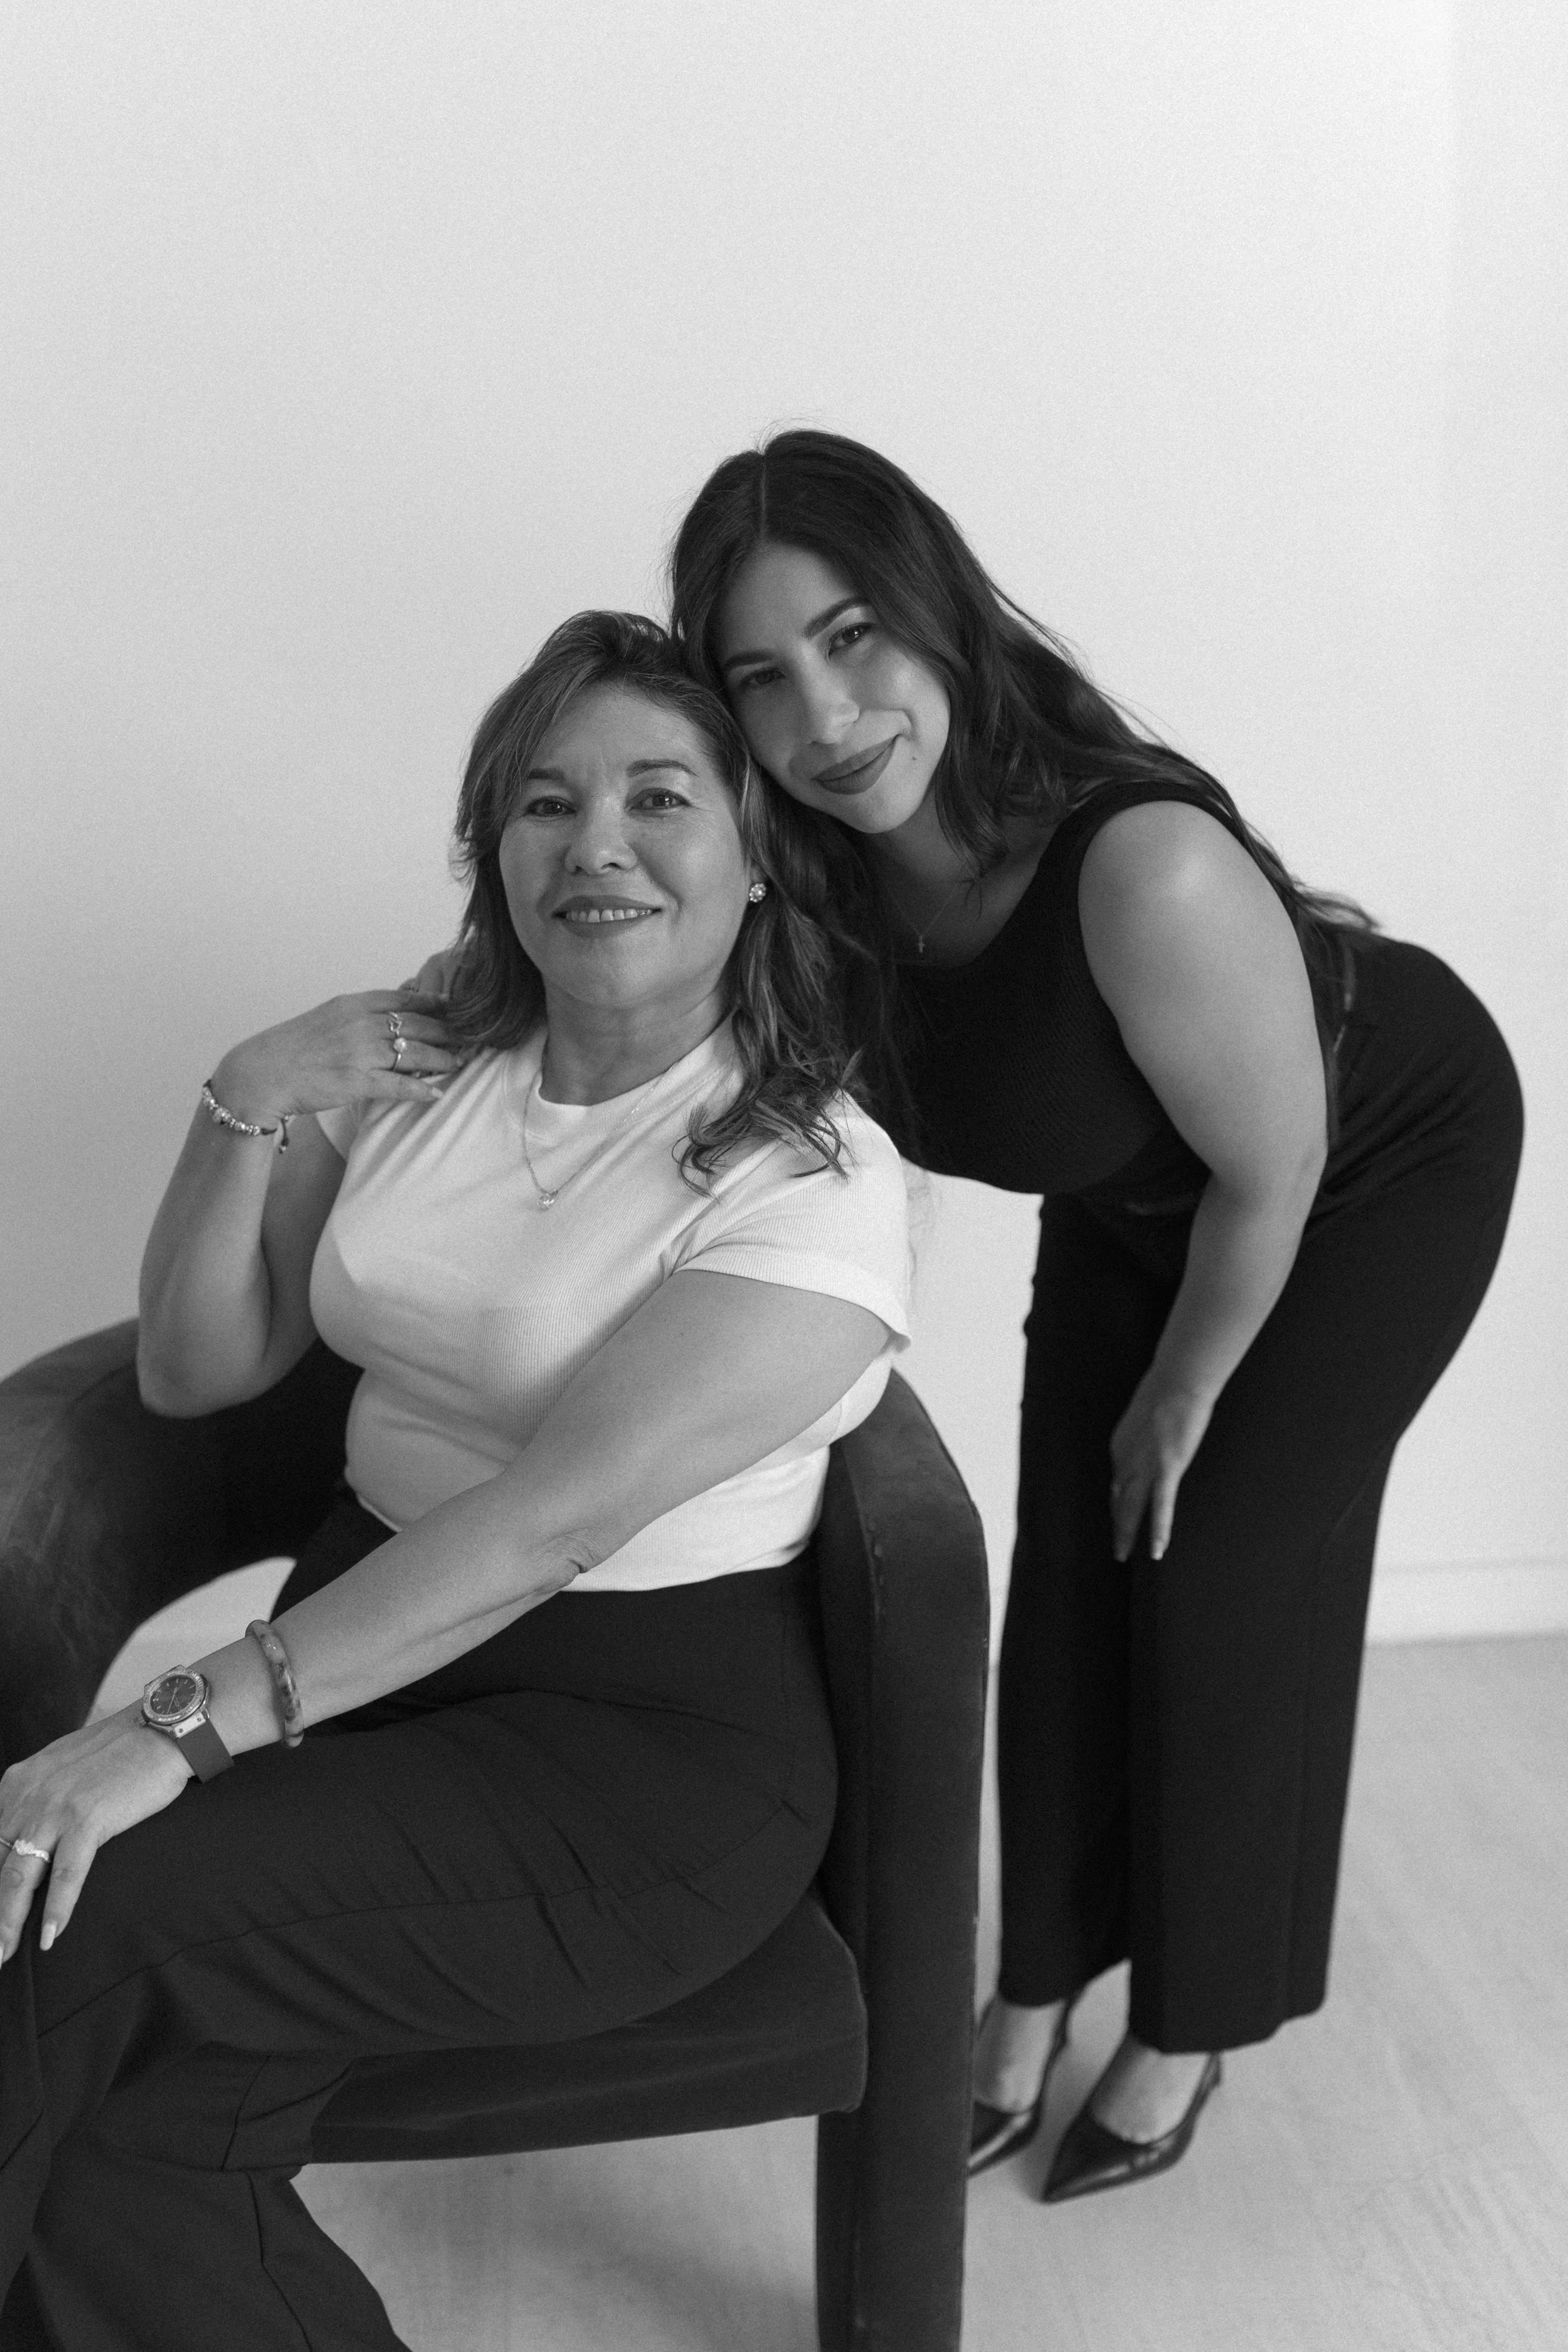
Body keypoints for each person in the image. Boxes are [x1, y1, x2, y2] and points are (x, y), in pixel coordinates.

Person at [0, 612, 911, 2346]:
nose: (597, 845)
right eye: (544, 803)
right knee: (131, 2139)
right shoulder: (428, 1068)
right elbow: (199, 1367)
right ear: (495, 852)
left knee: (69, 1903)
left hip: (633, 1760)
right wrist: (245, 1097)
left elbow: (546, 1522)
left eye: (660, 797)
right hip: (370, 1660)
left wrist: (163, 1727)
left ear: (757, 860)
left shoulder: (811, 1175)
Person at [667, 429, 1523, 2201]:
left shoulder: (1141, 867)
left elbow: (1270, 1169)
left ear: (937, 610)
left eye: (853, 637)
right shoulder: (818, 885)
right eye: (763, 677)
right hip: (1144, 1187)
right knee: (1063, 1573)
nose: (825, 714)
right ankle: (1033, 1981)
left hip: (1356, 1167)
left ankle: (1189, 2019)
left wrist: (1179, 1388)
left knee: (1214, 1563)